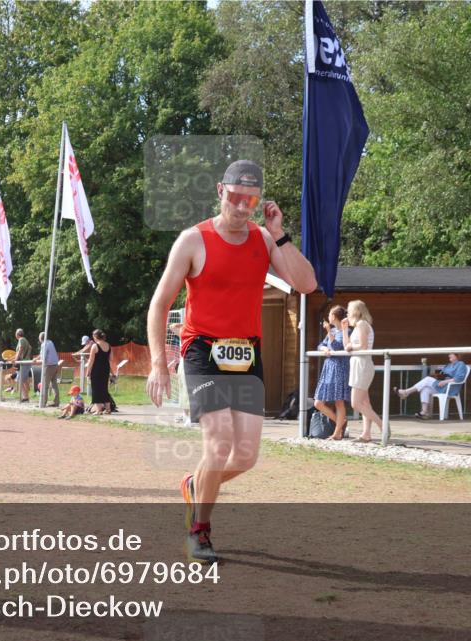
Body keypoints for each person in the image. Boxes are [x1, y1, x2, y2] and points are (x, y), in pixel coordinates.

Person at [146, 159, 316, 563]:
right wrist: (157, 362)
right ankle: (199, 531)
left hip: (246, 351)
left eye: (251, 200)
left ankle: (195, 483)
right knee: (219, 441)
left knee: (246, 456)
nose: (242, 207)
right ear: (220, 191)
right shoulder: (192, 240)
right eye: (236, 197)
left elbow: (307, 284)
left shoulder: (263, 239)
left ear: (259, 203)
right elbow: (159, 305)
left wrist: (281, 235)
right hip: (203, 349)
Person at [341, 300, 383, 443]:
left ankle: (382, 425)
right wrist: (344, 330)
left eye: (349, 310)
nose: (347, 312)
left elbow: (363, 346)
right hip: (358, 363)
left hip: (362, 364)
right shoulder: (358, 326)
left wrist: (351, 347)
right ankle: (366, 434)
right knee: (365, 402)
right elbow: (346, 346)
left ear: (356, 311)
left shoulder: (362, 324)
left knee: (356, 404)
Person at [313, 305, 352, 439]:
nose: (328, 316)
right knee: (318, 403)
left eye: (330, 314)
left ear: (334, 317)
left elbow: (336, 346)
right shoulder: (334, 331)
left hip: (340, 367)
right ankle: (340, 422)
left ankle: (337, 433)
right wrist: (324, 349)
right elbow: (321, 345)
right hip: (329, 367)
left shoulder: (346, 331)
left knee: (338, 401)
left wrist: (329, 331)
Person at [395, 352, 469, 419]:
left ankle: (406, 392)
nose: (449, 354)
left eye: (451, 354)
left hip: (450, 387)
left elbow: (459, 378)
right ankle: (424, 412)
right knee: (425, 389)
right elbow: (442, 374)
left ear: (456, 356)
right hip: (441, 386)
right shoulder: (448, 365)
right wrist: (437, 376)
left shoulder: (461, 364)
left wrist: (446, 381)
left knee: (427, 379)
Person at [86, 329, 114, 414]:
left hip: (96, 369)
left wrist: (88, 371)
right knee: (104, 388)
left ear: (95, 336)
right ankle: (108, 409)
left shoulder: (95, 346)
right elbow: (111, 359)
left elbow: (91, 360)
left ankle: (98, 410)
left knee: (96, 389)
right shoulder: (108, 345)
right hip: (105, 369)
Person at [34, 332, 60, 408]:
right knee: (54, 384)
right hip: (55, 365)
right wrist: (37, 358)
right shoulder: (50, 342)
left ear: (40, 338)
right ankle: (56, 402)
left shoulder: (44, 344)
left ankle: (43, 402)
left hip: (49, 366)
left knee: (45, 385)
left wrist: (38, 361)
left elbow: (43, 357)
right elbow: (43, 354)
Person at [14, 329, 32, 402]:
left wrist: (15, 360)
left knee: (20, 380)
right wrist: (13, 358)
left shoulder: (21, 340)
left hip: (24, 362)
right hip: (25, 362)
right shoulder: (25, 340)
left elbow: (20, 350)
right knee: (24, 380)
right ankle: (26, 396)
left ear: (17, 334)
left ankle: (25, 397)